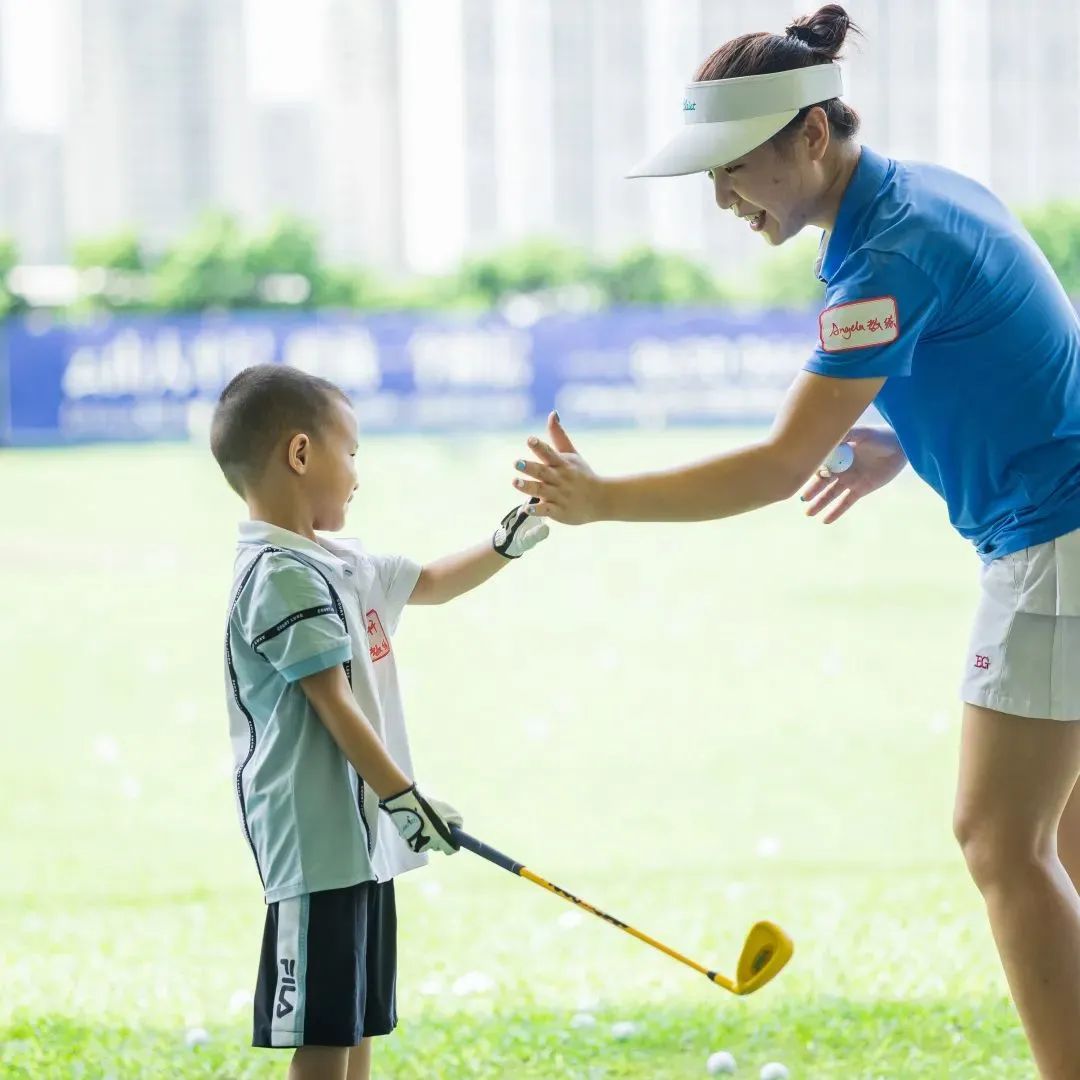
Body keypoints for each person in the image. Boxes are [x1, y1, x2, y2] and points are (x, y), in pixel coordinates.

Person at [512, 6, 1080, 1077]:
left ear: (809, 138)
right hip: (1063, 525)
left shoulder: (884, 256)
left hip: (1056, 542)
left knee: (1000, 842)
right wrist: (899, 441)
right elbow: (1009, 339)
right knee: (1060, 841)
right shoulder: (927, 195)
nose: (723, 201)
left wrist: (600, 498)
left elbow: (776, 466)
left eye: (734, 172)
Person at [209, 364, 546, 1080]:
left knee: (356, 1020)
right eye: (351, 451)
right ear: (301, 454)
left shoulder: (337, 560)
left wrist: (507, 542)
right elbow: (333, 703)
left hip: (363, 836)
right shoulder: (278, 574)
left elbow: (430, 583)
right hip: (317, 837)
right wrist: (404, 798)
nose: (358, 473)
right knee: (325, 1032)